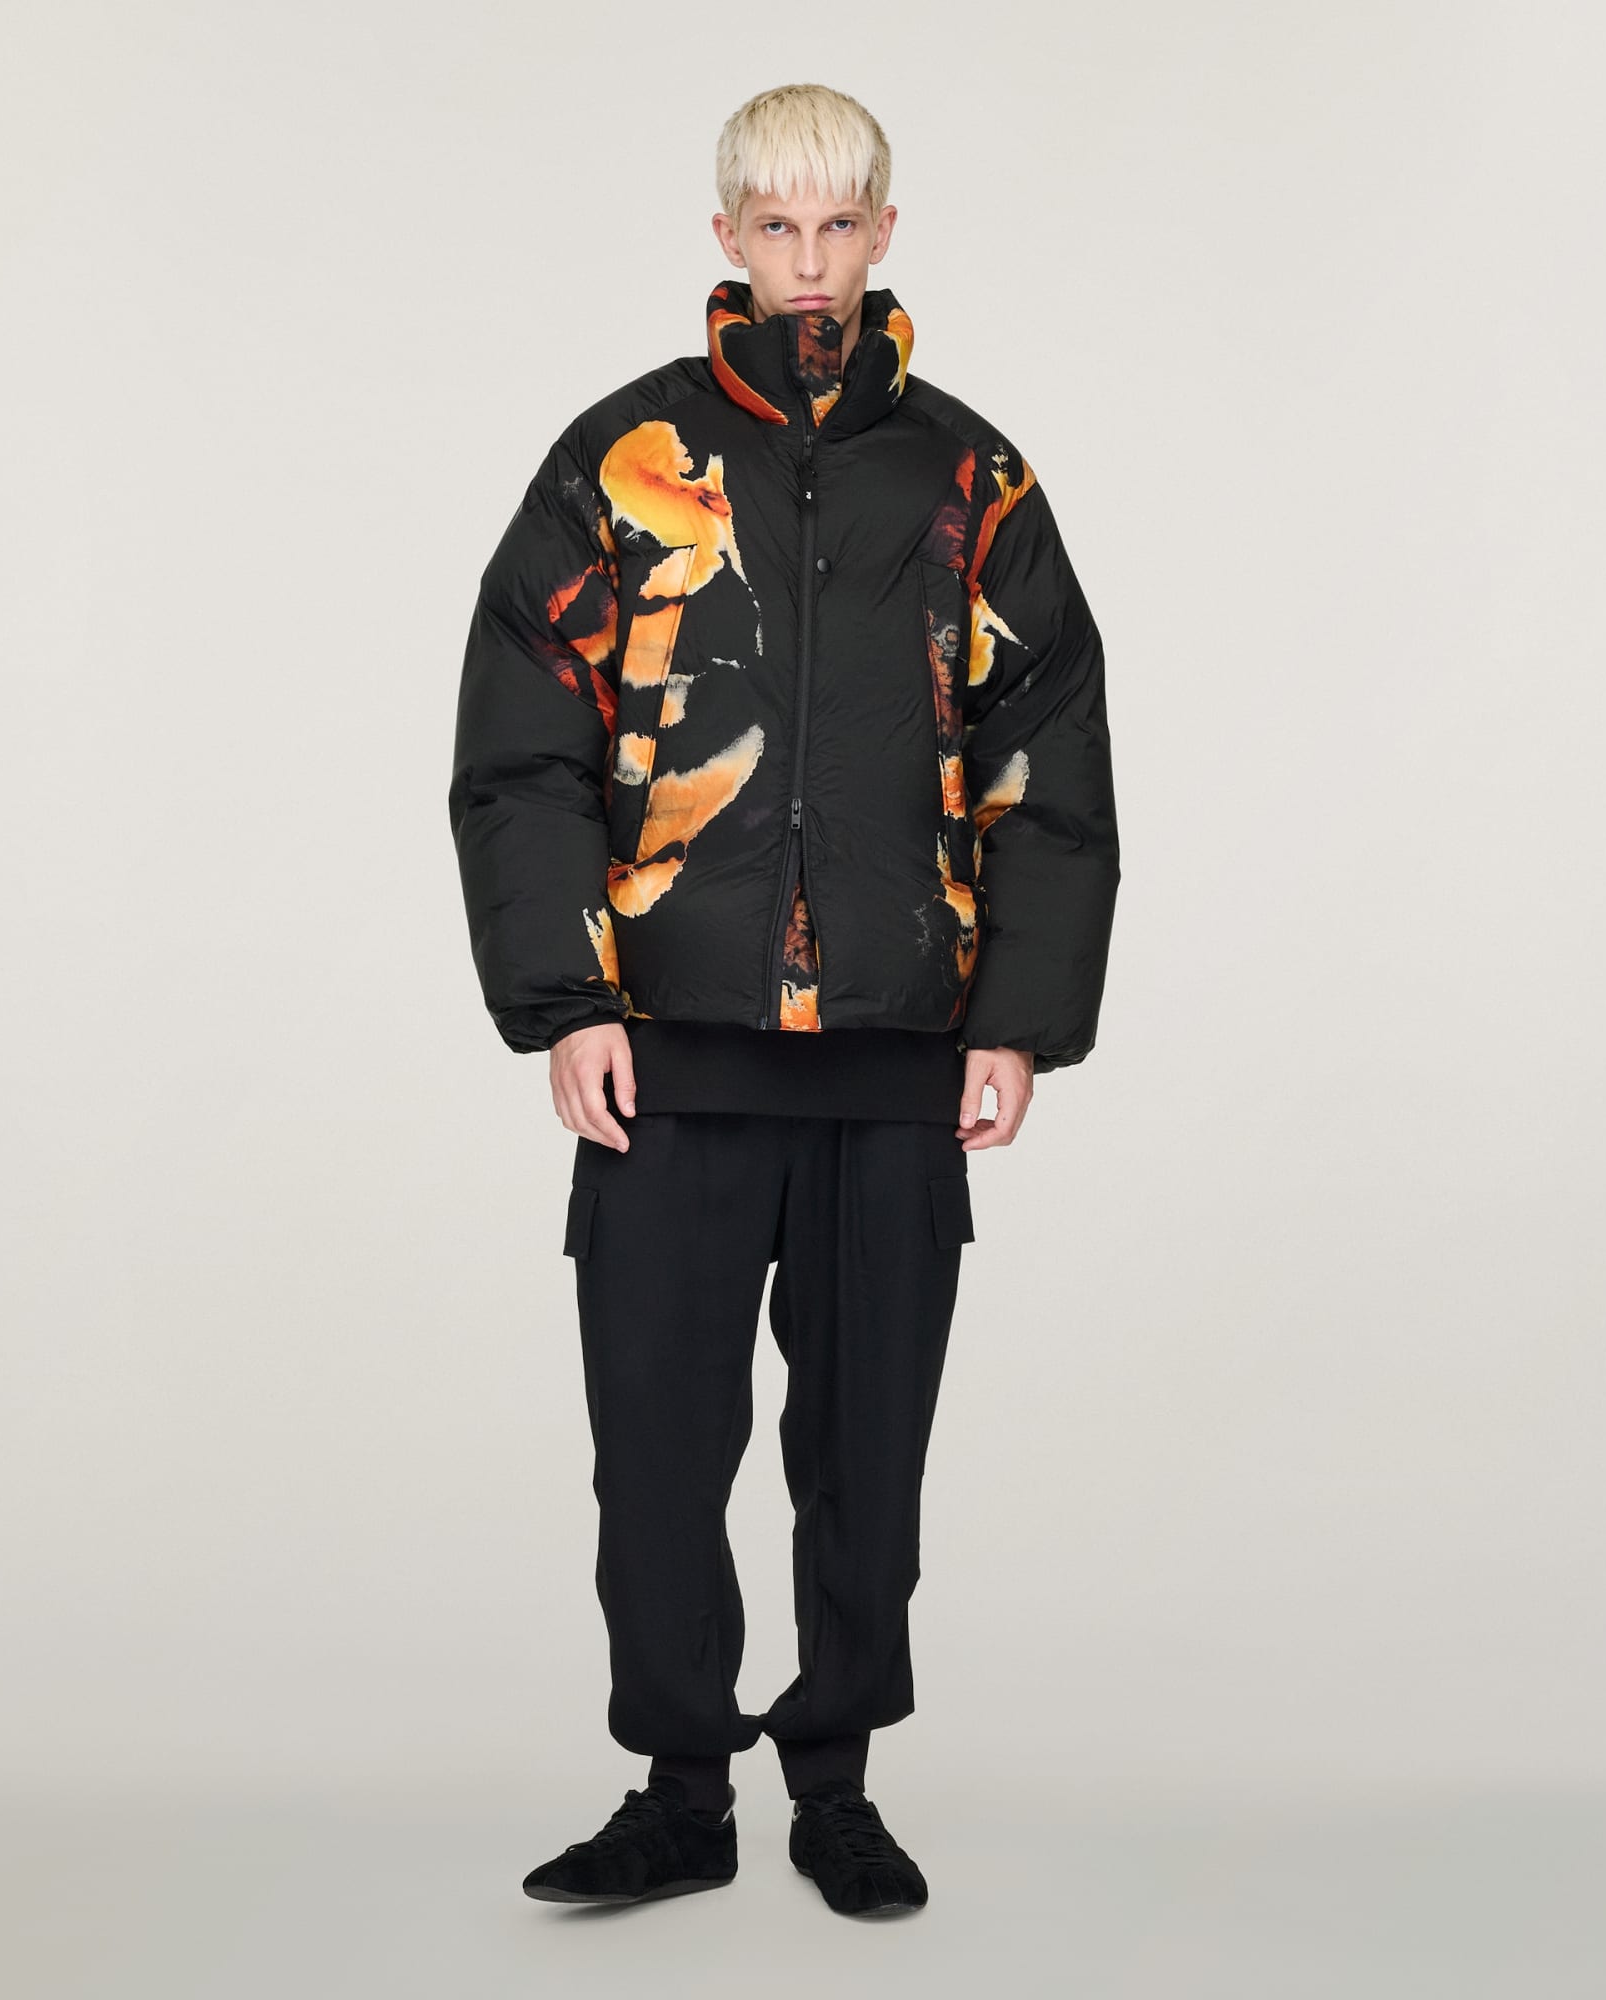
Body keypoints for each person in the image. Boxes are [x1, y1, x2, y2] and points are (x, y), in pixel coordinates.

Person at [448, 81, 1121, 1918]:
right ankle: (681, 1791)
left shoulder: (973, 480)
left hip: (896, 1057)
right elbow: (524, 746)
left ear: (884, 234)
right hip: (668, 1057)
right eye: (776, 226)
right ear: (727, 236)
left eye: (839, 227)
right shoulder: (620, 462)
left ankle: (836, 1784)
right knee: (659, 1452)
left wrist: (1015, 1017)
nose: (809, 262)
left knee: (864, 1457)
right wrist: (568, 998)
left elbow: (1048, 756)